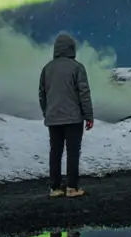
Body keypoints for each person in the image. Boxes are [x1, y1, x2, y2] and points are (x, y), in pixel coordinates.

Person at [38, 32, 94, 198]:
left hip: (53, 117)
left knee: (55, 152)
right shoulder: (77, 67)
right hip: (73, 118)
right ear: (71, 48)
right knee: (72, 152)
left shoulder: (47, 68)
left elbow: (42, 94)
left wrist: (47, 112)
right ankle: (72, 187)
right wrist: (88, 116)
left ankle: (55, 188)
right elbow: (84, 93)